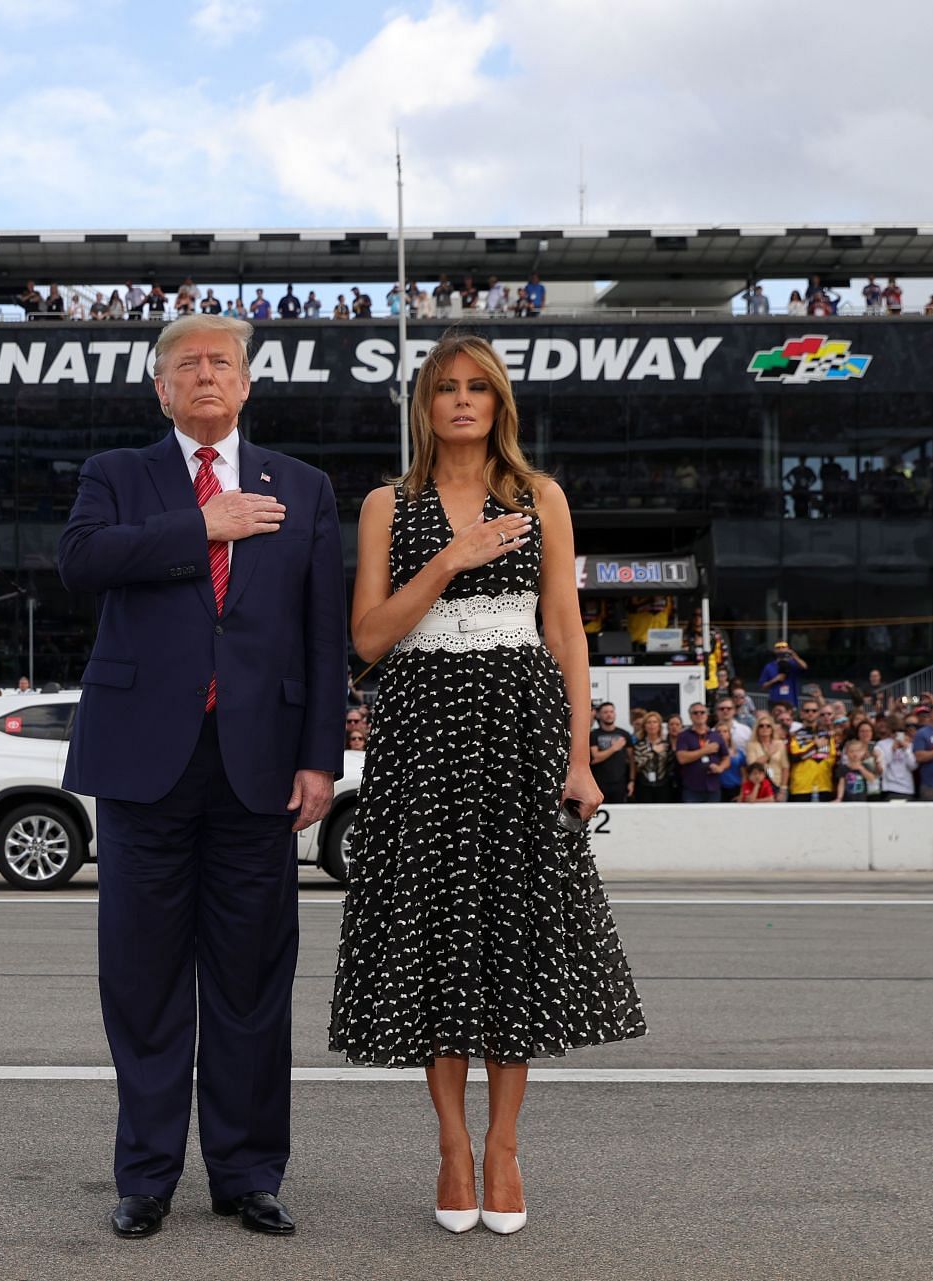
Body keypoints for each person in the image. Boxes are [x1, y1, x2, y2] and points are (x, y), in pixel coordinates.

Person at [329, 331, 644, 1238]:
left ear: (501, 402)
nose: (462, 400)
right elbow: (369, 639)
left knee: (514, 934)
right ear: (424, 405)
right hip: (422, 732)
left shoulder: (540, 496)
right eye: (445, 388)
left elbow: (567, 632)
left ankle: (505, 1145)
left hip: (519, 729)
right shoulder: (390, 503)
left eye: (479, 387)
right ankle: (452, 1145)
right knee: (432, 933)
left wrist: (581, 757)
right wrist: (452, 558)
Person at [58, 312, 347, 1241]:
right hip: (145, 766)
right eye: (188, 364)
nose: (207, 374)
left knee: (253, 979)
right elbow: (82, 561)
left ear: (250, 383)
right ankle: (145, 1176)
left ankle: (248, 1173)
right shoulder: (119, 475)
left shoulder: (302, 488)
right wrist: (201, 524)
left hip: (260, 769)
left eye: (223, 361)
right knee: (141, 980)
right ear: (161, 387)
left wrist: (319, 757)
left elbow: (321, 633)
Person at [674, 703, 730, 804]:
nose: (699, 715)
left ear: (707, 715)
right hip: (692, 788)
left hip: (713, 786)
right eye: (695, 713)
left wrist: (720, 768)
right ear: (690, 716)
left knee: (713, 818)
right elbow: (681, 758)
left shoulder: (716, 736)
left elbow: (726, 758)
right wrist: (705, 750)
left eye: (702, 712)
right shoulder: (683, 736)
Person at [786, 702, 837, 801]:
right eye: (807, 711)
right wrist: (815, 747)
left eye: (814, 711)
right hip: (801, 788)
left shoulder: (827, 736)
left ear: (818, 714)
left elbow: (831, 759)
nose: (810, 713)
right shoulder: (795, 736)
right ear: (802, 714)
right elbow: (795, 758)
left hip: (824, 786)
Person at [588, 701, 634, 803]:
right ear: (599, 715)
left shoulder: (624, 734)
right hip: (599, 783)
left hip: (620, 783)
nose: (609, 714)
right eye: (605, 712)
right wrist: (614, 748)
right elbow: (595, 758)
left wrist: (632, 781)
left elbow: (631, 760)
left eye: (611, 711)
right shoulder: (594, 735)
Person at [631, 710, 677, 802]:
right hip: (644, 784)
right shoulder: (639, 745)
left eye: (655, 722)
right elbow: (638, 764)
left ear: (659, 725)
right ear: (644, 726)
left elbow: (671, 764)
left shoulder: (666, 745)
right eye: (649, 722)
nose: (652, 725)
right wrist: (653, 752)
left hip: (663, 784)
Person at [745, 717, 790, 796]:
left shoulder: (780, 744)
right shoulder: (751, 745)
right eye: (761, 726)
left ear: (772, 728)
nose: (764, 728)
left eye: (768, 726)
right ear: (757, 729)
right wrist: (768, 754)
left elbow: (785, 767)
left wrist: (783, 789)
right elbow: (752, 765)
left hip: (777, 784)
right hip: (758, 785)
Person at [876, 719, 917, 801]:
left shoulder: (909, 744)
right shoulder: (881, 744)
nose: (896, 734)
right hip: (890, 788)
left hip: (907, 788)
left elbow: (913, 766)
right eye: (893, 731)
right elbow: (883, 765)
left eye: (899, 731)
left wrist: (906, 750)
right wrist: (892, 750)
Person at [758, 641, 806, 708]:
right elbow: (762, 686)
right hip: (775, 701)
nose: (781, 649)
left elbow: (804, 666)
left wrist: (794, 655)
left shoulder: (793, 664)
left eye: (783, 647)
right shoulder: (769, 666)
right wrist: (774, 680)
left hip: (791, 701)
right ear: (774, 650)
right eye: (778, 648)